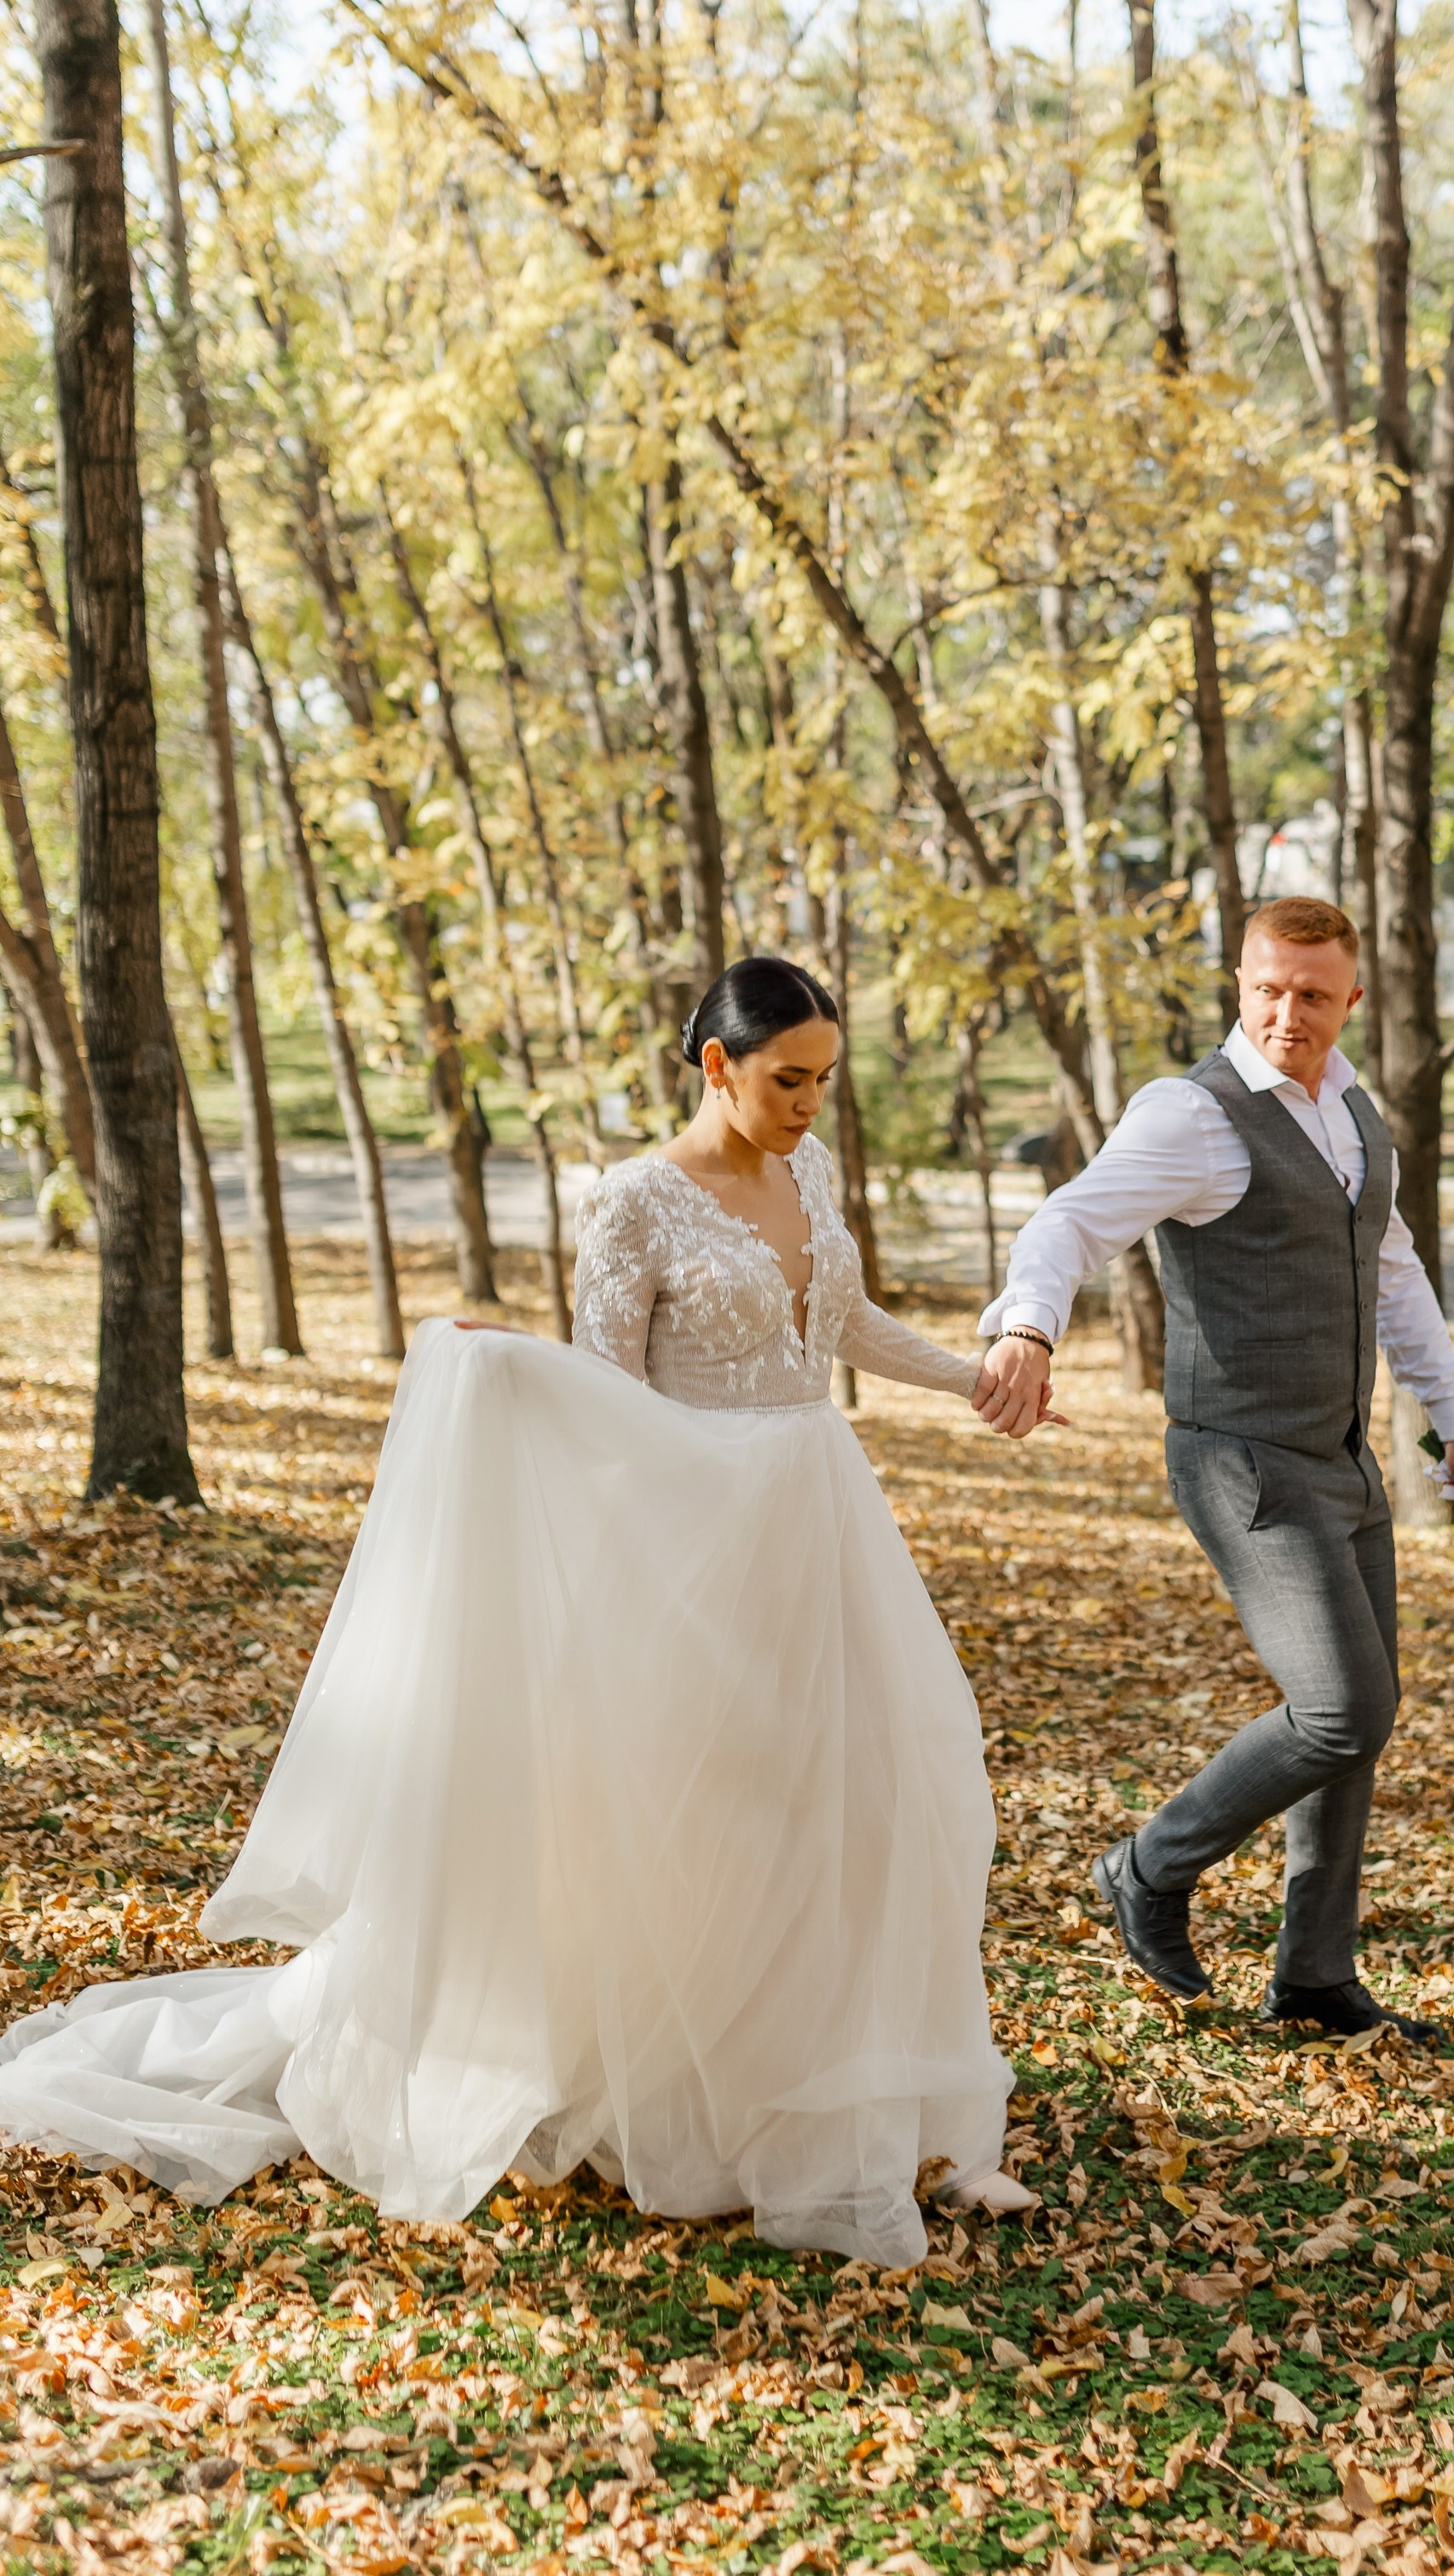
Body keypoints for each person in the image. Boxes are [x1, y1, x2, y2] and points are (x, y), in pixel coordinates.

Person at [0, 957, 1036, 2266]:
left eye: (825, 1080)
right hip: (693, 1546)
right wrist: (501, 1368)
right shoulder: (636, 1205)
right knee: (703, 1815)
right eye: (788, 1080)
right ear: (715, 1065)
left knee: (854, 1797)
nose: (809, 1105)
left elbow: (835, 1320)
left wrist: (968, 1380)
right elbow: (608, 1401)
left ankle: (813, 2093)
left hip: (819, 1519)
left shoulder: (809, 1175)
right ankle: (668, 2099)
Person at [976, 896, 1454, 2042]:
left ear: (1350, 997)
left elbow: (1392, 1267)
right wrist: (1029, 1325)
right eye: (1268, 987)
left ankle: (1315, 1976)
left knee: (1364, 1719)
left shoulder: (1357, 1114)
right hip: (1241, 1460)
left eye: (1313, 993)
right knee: (1340, 1707)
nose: (1287, 1012)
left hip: (1343, 1457)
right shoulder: (1192, 1117)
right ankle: (1148, 1870)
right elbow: (1067, 1224)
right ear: (1240, 983)